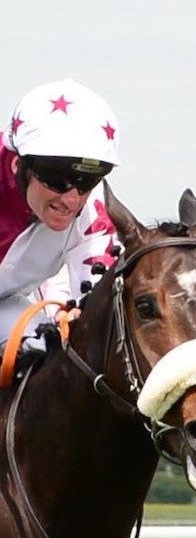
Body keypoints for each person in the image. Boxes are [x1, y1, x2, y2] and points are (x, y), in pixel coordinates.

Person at [2, 78, 119, 348]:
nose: (71, 200)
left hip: (7, 304)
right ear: (17, 165)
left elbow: (94, 305)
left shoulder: (92, 210)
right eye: (57, 180)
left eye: (86, 182)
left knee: (47, 348)